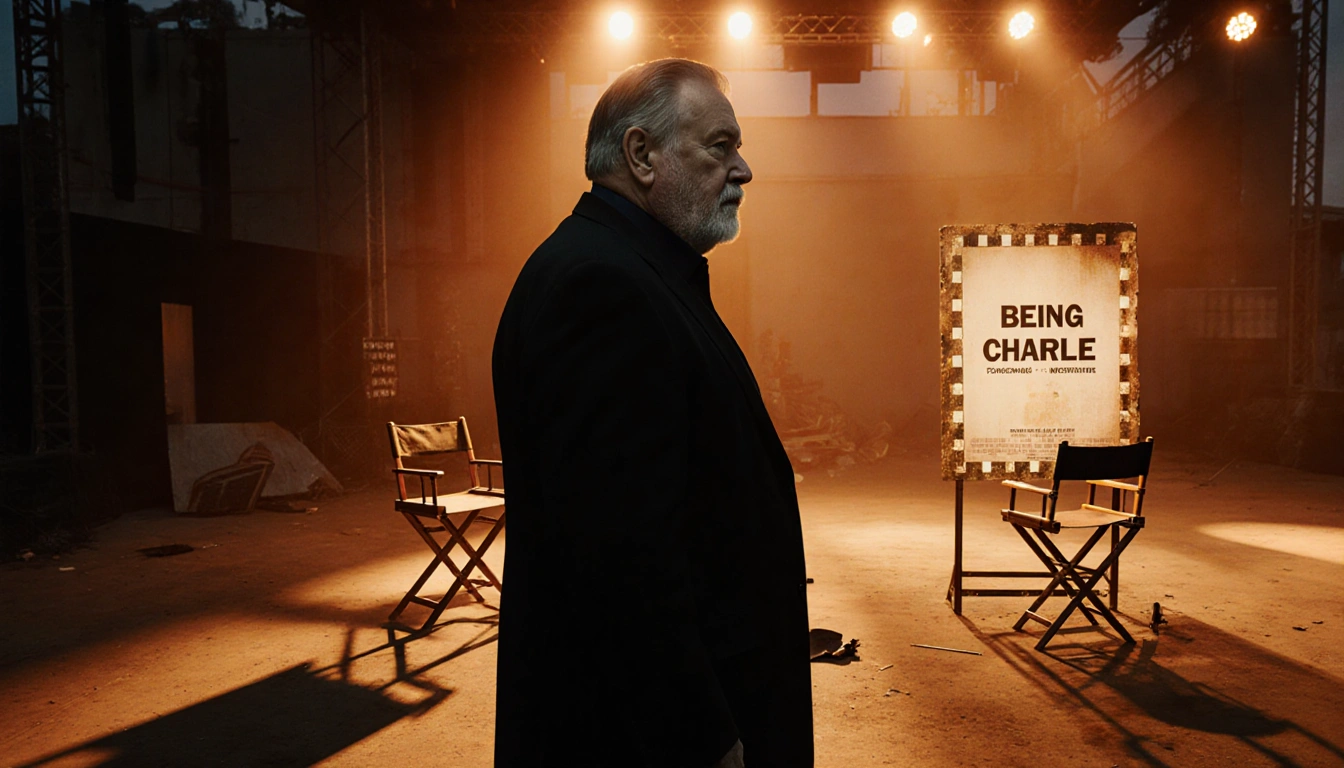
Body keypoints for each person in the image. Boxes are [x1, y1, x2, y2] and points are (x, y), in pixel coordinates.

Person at [492, 58, 812, 768]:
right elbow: (620, 562)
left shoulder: (632, 273)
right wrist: (704, 736)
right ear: (641, 154)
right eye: (720, 147)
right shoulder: (603, 288)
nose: (744, 170)